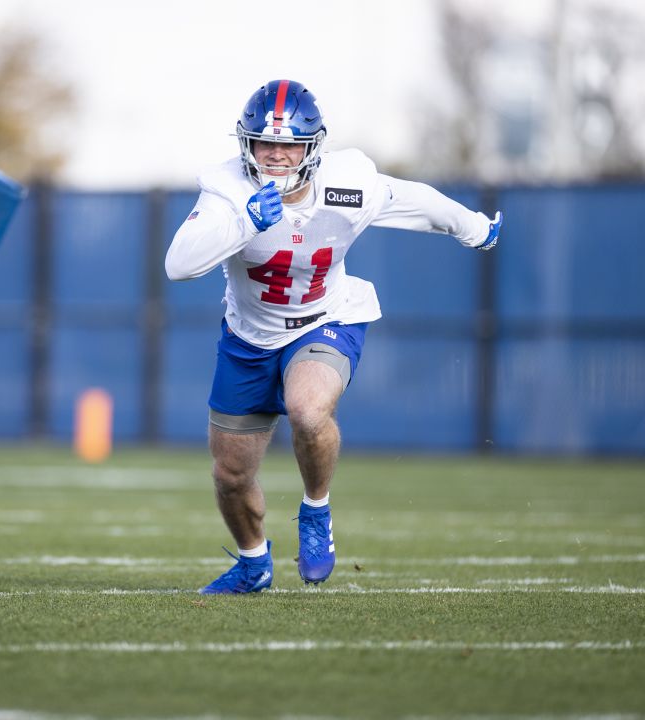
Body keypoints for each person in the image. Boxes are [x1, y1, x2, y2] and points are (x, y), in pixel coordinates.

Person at [165, 80, 502, 594]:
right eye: (264, 143)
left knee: (308, 408)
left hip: (326, 318)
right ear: (246, 143)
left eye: (289, 145)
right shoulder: (228, 190)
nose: (276, 155)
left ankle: (316, 510)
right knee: (231, 475)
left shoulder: (349, 184)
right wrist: (242, 222)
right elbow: (179, 264)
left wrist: (473, 225)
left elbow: (416, 201)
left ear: (312, 147)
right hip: (248, 337)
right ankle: (254, 566)